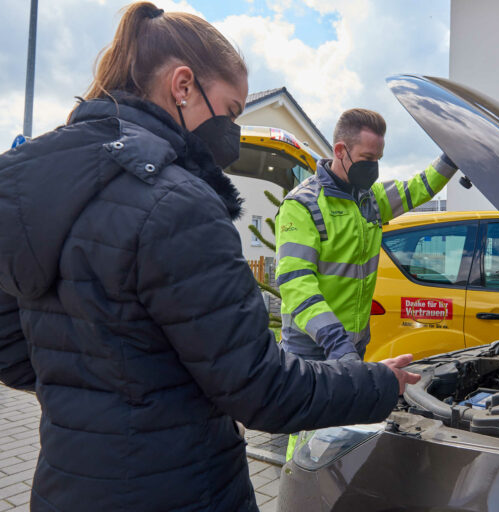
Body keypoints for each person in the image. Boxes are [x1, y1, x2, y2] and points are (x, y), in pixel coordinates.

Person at [0, 3, 419, 511]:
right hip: (179, 489)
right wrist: (377, 382)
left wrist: (99, 388)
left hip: (66, 487)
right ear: (182, 85)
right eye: (233, 109)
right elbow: (260, 387)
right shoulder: (178, 202)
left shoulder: (31, 183)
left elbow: (11, 349)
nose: (234, 129)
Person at [275, 109, 457, 459]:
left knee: (341, 437)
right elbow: (296, 285)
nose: (373, 167)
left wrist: (451, 158)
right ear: (340, 150)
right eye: (367, 159)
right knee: (306, 444)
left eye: (379, 159)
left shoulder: (369, 199)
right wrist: (336, 343)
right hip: (313, 350)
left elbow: (419, 187)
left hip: (352, 346)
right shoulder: (303, 206)